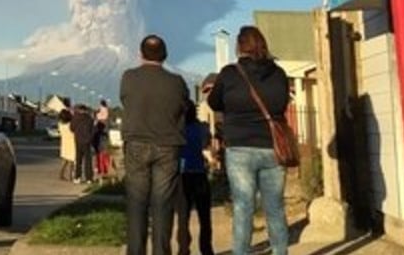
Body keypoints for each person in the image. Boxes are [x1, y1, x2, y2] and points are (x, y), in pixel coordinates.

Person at [208, 26, 291, 255]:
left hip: (240, 148)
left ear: (239, 47)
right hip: (272, 148)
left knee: (244, 207)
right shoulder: (279, 73)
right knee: (275, 207)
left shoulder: (229, 74)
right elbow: (283, 103)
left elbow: (214, 103)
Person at [120, 34, 191, 255]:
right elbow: (184, 106)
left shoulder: (128, 77)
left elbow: (125, 100)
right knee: (163, 205)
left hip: (136, 144)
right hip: (168, 146)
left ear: (140, 54)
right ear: (165, 55)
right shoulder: (177, 82)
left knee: (137, 203)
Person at [175, 100, 214, 255]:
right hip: (199, 174)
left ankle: (183, 249)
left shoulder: (177, 131)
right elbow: (207, 147)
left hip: (182, 176)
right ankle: (206, 249)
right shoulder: (202, 129)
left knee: (183, 218)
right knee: (204, 218)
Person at [71, 104, 96, 184]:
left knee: (78, 160)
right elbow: (93, 130)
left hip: (78, 141)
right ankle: (89, 178)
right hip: (87, 142)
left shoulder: (75, 118)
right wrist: (90, 138)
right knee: (88, 160)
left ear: (79, 110)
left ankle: (77, 177)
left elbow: (72, 128)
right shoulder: (89, 119)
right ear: (86, 110)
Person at [58, 108, 76, 181]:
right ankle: (70, 176)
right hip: (72, 142)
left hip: (64, 142)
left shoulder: (60, 124)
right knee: (72, 160)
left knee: (65, 160)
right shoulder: (70, 124)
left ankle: (61, 174)